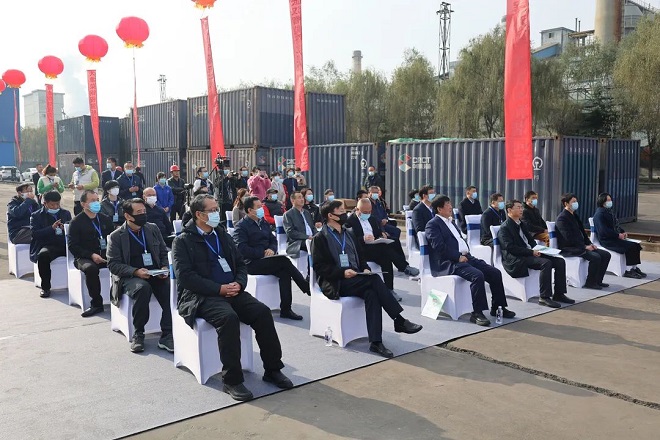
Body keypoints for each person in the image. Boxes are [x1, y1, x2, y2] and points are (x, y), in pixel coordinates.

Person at [173, 194, 293, 401]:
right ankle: (232, 380)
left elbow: (240, 264)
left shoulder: (222, 235)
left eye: (216, 208)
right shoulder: (183, 241)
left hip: (233, 290)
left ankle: (273, 369)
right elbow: (186, 277)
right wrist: (218, 289)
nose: (216, 213)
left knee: (262, 312)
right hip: (201, 296)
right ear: (199, 214)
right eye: (212, 210)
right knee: (229, 318)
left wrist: (239, 283)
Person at [312, 200, 422, 358]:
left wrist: (364, 268)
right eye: (341, 211)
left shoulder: (348, 233)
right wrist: (342, 273)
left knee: (372, 293)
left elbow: (360, 257)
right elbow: (319, 267)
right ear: (330, 215)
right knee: (375, 280)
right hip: (338, 281)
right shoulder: (320, 238)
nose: (345, 214)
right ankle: (399, 320)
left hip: (356, 277)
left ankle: (376, 342)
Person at [425, 195, 514, 326]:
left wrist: (466, 254)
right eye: (447, 204)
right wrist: (457, 257)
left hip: (466, 257)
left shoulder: (451, 222)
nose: (451, 207)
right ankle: (477, 313)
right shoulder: (432, 225)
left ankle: (497, 307)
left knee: (494, 273)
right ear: (439, 209)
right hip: (449, 262)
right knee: (477, 275)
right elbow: (439, 247)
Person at [106, 198, 173, 353]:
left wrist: (164, 267)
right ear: (128, 216)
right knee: (142, 288)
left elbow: (164, 252)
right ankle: (139, 333)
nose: (143, 214)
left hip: (155, 273)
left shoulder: (152, 228)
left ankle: (167, 334)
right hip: (130, 277)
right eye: (139, 212)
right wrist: (135, 271)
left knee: (170, 289)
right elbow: (113, 264)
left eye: (144, 211)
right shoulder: (117, 236)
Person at [232, 196, 310, 320]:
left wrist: (272, 249)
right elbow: (241, 248)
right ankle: (306, 287)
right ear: (249, 210)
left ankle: (286, 309)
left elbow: (273, 240)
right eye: (258, 207)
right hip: (251, 263)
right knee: (284, 262)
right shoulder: (241, 226)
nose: (261, 209)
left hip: (267, 260)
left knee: (284, 273)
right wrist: (262, 253)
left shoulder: (263, 222)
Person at [498, 200, 574, 308]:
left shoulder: (521, 224)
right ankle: (544, 297)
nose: (521, 209)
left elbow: (531, 240)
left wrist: (541, 249)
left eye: (521, 207)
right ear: (509, 210)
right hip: (516, 258)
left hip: (528, 253)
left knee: (559, 261)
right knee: (545, 263)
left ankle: (559, 294)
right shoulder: (505, 228)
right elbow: (510, 248)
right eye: (518, 207)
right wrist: (531, 252)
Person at [347, 199, 420, 300]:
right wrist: (363, 238)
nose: (367, 214)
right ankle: (404, 267)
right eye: (365, 212)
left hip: (374, 247)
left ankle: (389, 289)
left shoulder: (372, 219)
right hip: (361, 250)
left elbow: (377, 233)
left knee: (388, 255)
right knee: (385, 249)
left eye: (369, 211)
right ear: (357, 209)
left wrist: (381, 236)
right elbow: (349, 239)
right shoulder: (350, 221)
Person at [68, 190, 116, 316]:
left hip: (105, 255)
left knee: (122, 264)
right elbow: (73, 246)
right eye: (92, 201)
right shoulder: (76, 222)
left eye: (97, 200)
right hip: (84, 257)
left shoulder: (105, 219)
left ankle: (118, 299)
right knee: (91, 269)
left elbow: (113, 239)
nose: (96, 203)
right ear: (83, 204)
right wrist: (91, 255)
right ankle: (97, 304)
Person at [555, 193, 611, 290]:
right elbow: (568, 238)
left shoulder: (575, 216)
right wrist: (584, 247)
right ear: (566, 204)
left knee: (606, 255)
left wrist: (590, 243)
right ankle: (590, 282)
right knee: (596, 257)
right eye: (573, 202)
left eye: (576, 201)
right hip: (570, 248)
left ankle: (598, 281)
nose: (576, 203)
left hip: (580, 245)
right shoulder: (562, 218)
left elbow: (583, 233)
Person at [29, 191, 72, 298]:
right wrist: (51, 228)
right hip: (48, 245)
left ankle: (75, 283)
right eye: (52, 205)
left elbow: (72, 229)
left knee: (80, 252)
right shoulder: (36, 216)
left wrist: (65, 228)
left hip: (63, 244)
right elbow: (35, 234)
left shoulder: (65, 213)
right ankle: (46, 287)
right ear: (45, 203)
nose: (56, 207)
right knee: (43, 256)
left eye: (58, 204)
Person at [593, 192, 646, 279]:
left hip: (614, 238)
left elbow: (615, 225)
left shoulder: (609, 212)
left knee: (636, 245)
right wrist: (617, 235)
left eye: (610, 200)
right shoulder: (599, 214)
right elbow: (604, 231)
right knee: (631, 247)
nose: (610, 202)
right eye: (608, 200)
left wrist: (622, 232)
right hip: (607, 240)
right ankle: (628, 270)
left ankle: (634, 267)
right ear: (602, 202)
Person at [282, 191, 316, 272]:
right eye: (299, 197)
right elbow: (290, 232)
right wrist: (307, 237)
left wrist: (317, 235)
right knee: (314, 246)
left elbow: (312, 228)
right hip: (297, 242)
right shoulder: (288, 214)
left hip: (311, 239)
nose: (302, 199)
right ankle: (310, 273)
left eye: (302, 197)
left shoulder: (306, 213)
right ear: (292, 200)